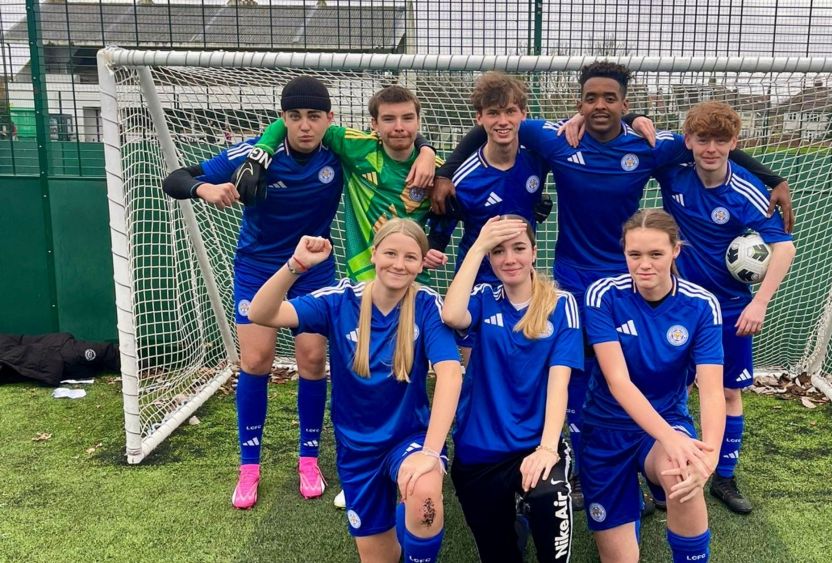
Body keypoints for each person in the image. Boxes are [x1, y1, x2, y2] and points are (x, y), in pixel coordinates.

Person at [435, 61, 790, 509]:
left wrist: (771, 177)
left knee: (649, 369)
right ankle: (583, 468)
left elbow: (707, 145)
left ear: (625, 103)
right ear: (578, 104)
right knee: (579, 375)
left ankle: (663, 462)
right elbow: (491, 124)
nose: (599, 106)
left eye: (610, 99)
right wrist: (445, 169)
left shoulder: (647, 144)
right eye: (590, 99)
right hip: (573, 280)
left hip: (629, 278)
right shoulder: (554, 137)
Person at [161, 75, 345, 509]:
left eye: (314, 116)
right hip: (258, 270)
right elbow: (176, 178)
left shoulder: (340, 154)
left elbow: (395, 145)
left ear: (328, 119)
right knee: (257, 361)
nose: (304, 125)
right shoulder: (252, 154)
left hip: (315, 268)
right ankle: (249, 466)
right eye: (295, 116)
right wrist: (204, 188)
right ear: (282, 119)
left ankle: (308, 457)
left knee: (313, 360)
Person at [248, 219, 463, 563]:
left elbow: (451, 374)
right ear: (374, 254)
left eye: (410, 257)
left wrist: (430, 453)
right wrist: (296, 266)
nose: (398, 263)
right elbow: (261, 312)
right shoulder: (340, 300)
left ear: (422, 263)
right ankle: (394, 527)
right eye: (390, 253)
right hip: (357, 449)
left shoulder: (426, 306)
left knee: (424, 494)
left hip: (408, 439)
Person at [656, 101, 797, 515]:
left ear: (735, 143)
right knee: (671, 388)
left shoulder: (748, 190)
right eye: (703, 139)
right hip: (678, 305)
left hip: (731, 311)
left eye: (721, 140)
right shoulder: (674, 173)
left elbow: (783, 248)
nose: (711, 148)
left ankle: (725, 476)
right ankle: (669, 467)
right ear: (690, 142)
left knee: (729, 392)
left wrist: (760, 302)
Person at [582, 208, 725, 562]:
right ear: (624, 253)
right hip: (606, 430)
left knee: (684, 473)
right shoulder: (603, 296)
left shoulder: (702, 306)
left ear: (675, 250)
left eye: (656, 254)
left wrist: (708, 457)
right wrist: (671, 437)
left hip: (665, 421)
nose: (644, 264)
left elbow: (710, 390)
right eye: (635, 254)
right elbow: (618, 382)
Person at [440, 215, 581, 563]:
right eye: (498, 251)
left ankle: (533, 507)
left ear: (534, 251)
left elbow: (559, 382)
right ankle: (516, 525)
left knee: (550, 511)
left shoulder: (561, 305)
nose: (509, 259)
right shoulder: (483, 297)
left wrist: (548, 448)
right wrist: (477, 247)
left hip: (534, 446)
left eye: (518, 248)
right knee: (499, 554)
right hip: (479, 449)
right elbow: (451, 315)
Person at [234, 84, 445, 283]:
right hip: (362, 283)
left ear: (418, 121)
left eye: (408, 118)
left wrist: (436, 243)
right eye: (388, 119)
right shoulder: (356, 146)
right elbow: (292, 121)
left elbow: (453, 211)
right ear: (374, 124)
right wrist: (260, 154)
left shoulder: (441, 171)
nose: (399, 127)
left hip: (413, 281)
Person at [427, 72, 552, 287]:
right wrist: (432, 250)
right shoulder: (462, 179)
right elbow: (439, 234)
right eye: (493, 113)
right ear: (479, 118)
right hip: (477, 284)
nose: (503, 122)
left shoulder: (538, 158)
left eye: (510, 112)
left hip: (522, 281)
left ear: (524, 114)